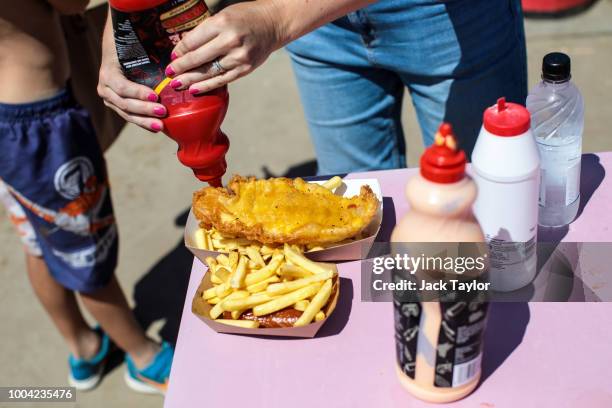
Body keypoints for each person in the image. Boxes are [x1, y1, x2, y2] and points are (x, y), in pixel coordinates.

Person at [98, 0, 526, 175]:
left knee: (481, 200)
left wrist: (281, 18)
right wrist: (123, 24)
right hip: (312, 30)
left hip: (447, 19)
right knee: (353, 208)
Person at [0, 0, 172, 394]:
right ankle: (142, 356)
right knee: (84, 250)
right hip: (39, 127)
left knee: (41, 238)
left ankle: (84, 345)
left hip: (10, 128)